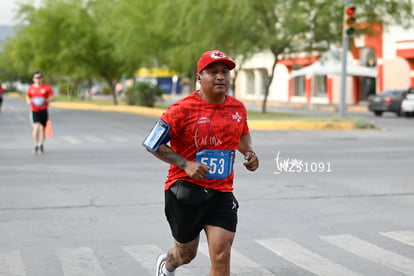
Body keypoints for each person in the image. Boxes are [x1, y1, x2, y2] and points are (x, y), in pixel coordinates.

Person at [143, 50, 259, 276]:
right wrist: (186, 164)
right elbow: (152, 143)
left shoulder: (237, 108)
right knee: (186, 254)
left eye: (225, 72)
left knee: (221, 255)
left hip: (222, 192)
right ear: (199, 77)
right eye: (213, 72)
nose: (220, 77)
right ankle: (167, 264)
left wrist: (249, 152)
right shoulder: (181, 110)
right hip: (185, 191)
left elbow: (242, 134)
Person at [26, 71, 54, 154]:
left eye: (39, 78)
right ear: (33, 79)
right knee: (36, 127)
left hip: (43, 110)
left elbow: (52, 97)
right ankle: (36, 145)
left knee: (42, 128)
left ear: (42, 78)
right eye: (36, 78)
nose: (38, 79)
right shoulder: (31, 88)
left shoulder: (47, 87)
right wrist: (29, 101)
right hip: (34, 110)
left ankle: (41, 144)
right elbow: (28, 96)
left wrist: (45, 100)